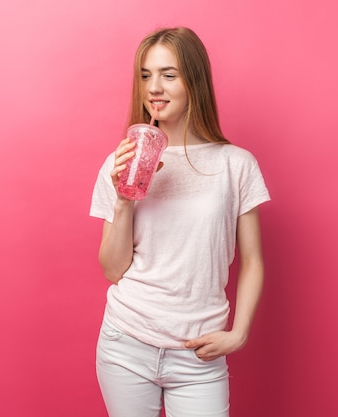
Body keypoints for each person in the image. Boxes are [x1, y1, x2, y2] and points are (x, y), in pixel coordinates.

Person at [90, 27, 271, 417]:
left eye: (169, 75)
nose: (154, 87)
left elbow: (253, 260)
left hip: (198, 356)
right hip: (126, 342)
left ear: (195, 81)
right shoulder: (119, 164)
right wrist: (123, 201)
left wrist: (238, 333)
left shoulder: (235, 164)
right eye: (145, 75)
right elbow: (111, 269)